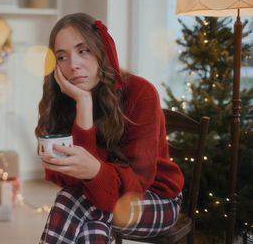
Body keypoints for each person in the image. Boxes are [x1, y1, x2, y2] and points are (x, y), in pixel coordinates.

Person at [35, 13, 184, 243]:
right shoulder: (63, 98)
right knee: (90, 223)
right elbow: (69, 179)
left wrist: (94, 170)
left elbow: (135, 188)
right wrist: (83, 104)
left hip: (154, 200)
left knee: (74, 201)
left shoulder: (140, 93)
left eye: (83, 50)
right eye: (62, 57)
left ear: (101, 50)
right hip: (95, 200)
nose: (73, 65)